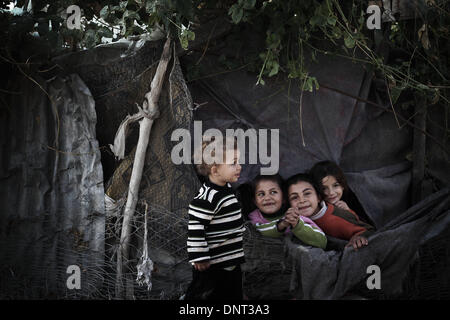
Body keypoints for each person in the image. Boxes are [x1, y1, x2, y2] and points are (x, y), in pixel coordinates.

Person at [185, 135, 246, 300]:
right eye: (233, 163)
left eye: (238, 161)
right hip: (211, 266)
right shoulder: (208, 197)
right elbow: (196, 226)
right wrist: (199, 256)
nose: (239, 166)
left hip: (229, 261)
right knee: (206, 296)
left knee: (232, 295)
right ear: (215, 170)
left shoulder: (226, 189)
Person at [286, 173, 375, 250]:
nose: (302, 200)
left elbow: (369, 230)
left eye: (307, 193)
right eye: (294, 197)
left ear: (318, 197)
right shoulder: (292, 218)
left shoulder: (337, 217)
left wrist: (358, 237)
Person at [247, 174, 327, 249]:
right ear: (255, 201)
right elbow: (257, 231)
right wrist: (282, 225)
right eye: (261, 194)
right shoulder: (254, 217)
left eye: (273, 192)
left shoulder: (294, 216)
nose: (267, 198)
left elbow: (322, 241)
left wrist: (297, 225)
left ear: (284, 198)